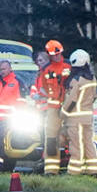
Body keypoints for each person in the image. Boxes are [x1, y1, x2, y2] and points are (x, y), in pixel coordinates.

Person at [33, 41, 70, 174]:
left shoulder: (68, 66)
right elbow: (43, 88)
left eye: (57, 54)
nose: (55, 57)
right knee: (51, 138)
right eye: (53, 55)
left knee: (71, 136)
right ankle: (50, 168)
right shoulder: (47, 70)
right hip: (52, 108)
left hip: (68, 108)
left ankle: (70, 164)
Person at [61, 48, 97, 176]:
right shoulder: (92, 79)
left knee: (76, 145)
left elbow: (71, 100)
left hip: (74, 119)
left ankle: (74, 172)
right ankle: (93, 169)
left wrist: (63, 114)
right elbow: (94, 97)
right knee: (89, 143)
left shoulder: (75, 80)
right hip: (88, 118)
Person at [0, 59, 23, 166]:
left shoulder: (16, 83)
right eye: (1, 69)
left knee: (2, 142)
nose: (2, 71)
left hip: (7, 119)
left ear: (10, 69)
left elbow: (20, 101)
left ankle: (1, 164)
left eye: (4, 69)